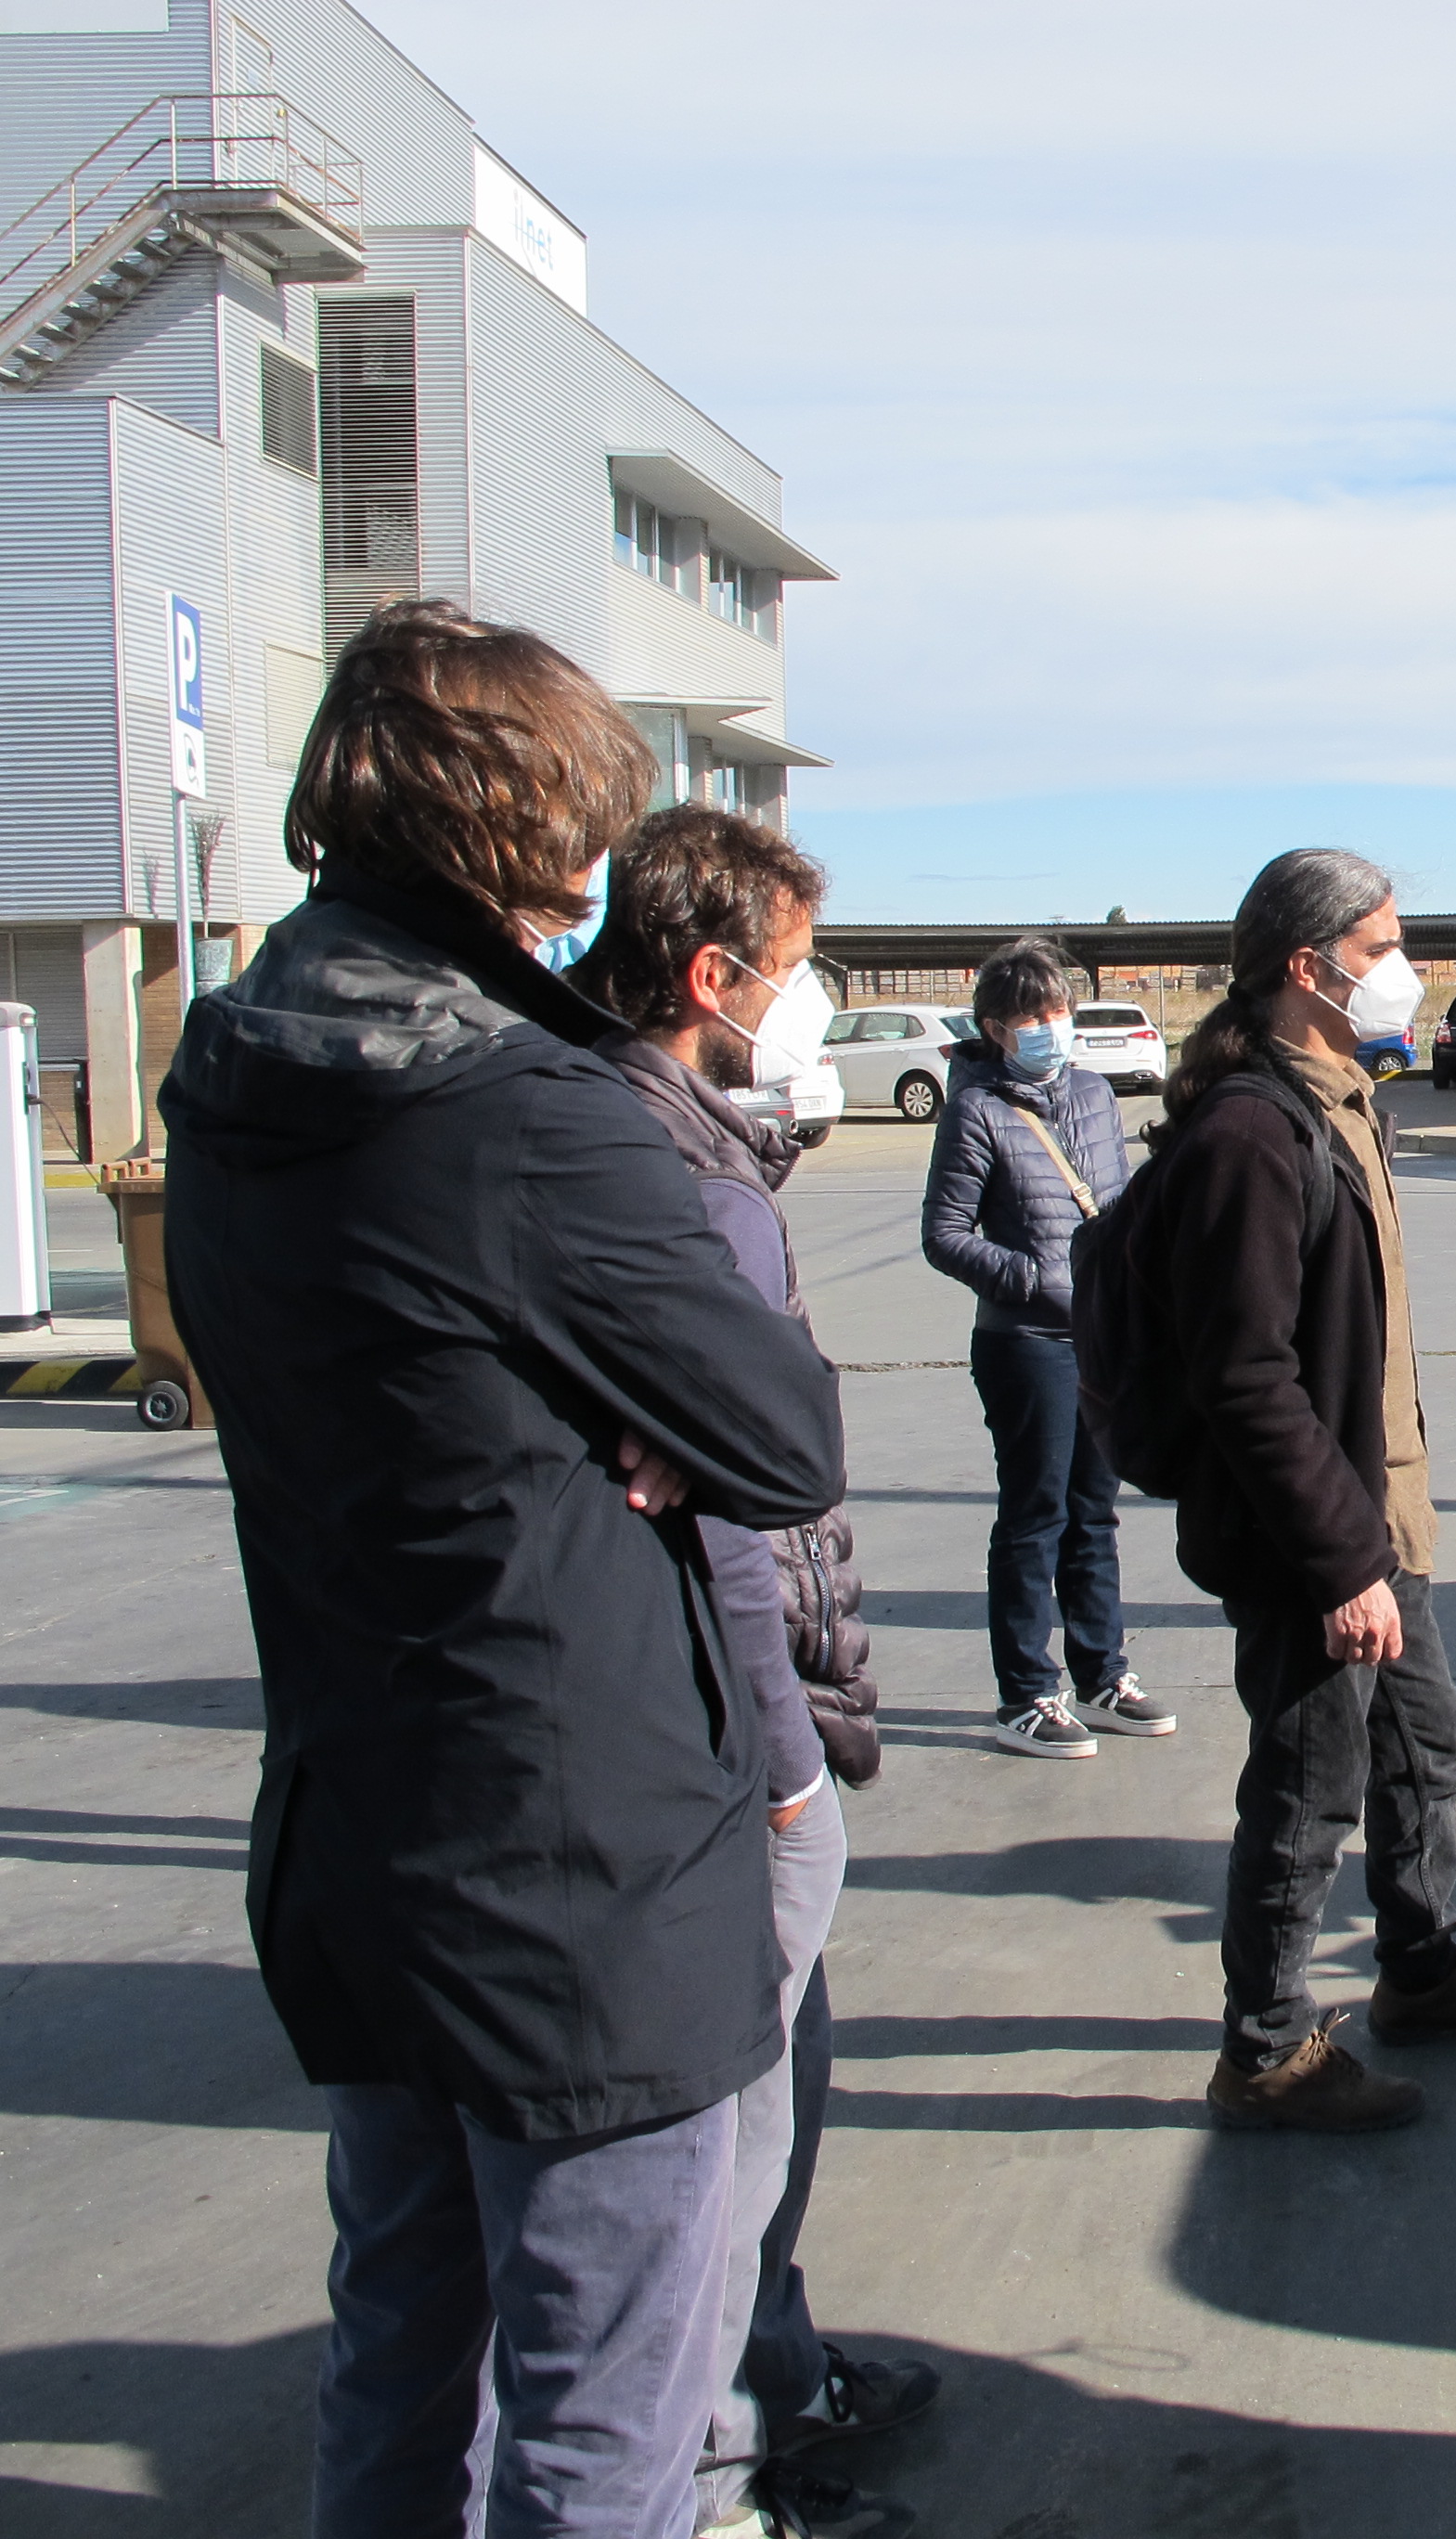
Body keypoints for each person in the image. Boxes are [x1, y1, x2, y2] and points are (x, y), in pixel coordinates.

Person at [160, 601, 847, 2539]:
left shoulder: (232, 1065)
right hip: (578, 1883)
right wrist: (635, 1406)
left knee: (401, 2354)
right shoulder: (526, 1108)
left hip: (361, 1831)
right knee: (601, 2417)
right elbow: (781, 1432)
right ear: (531, 828)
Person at [585, 807, 935, 2539]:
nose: (809, 1009)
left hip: (738, 1711)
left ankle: (771, 2379)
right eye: (794, 977)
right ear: (712, 977)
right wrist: (790, 1757)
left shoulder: (649, 1136)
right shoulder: (679, 1180)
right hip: (741, 1726)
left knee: (776, 2089)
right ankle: (719, 2468)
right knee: (735, 2132)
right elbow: (738, 1498)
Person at [1140, 848, 1456, 2132]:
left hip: (1384, 1512)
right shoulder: (1249, 1132)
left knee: (1422, 1743)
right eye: (1382, 948)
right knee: (1308, 1786)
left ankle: (1420, 1969)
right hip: (1314, 1535)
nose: (1406, 972)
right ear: (1307, 966)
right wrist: (1339, 1564)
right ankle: (1266, 2052)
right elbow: (1243, 1375)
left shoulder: (1341, 1101)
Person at [920, 937, 1160, 1759]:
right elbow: (945, 1235)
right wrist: (1031, 1276)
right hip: (1025, 1343)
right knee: (1034, 1517)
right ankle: (1025, 1693)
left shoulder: (1094, 1093)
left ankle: (1102, 1674)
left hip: (1102, 1336)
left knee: (1095, 1512)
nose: (1051, 1027)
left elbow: (1117, 1204)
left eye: (1058, 1010)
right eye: (1032, 1016)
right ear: (995, 1028)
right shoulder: (975, 1110)